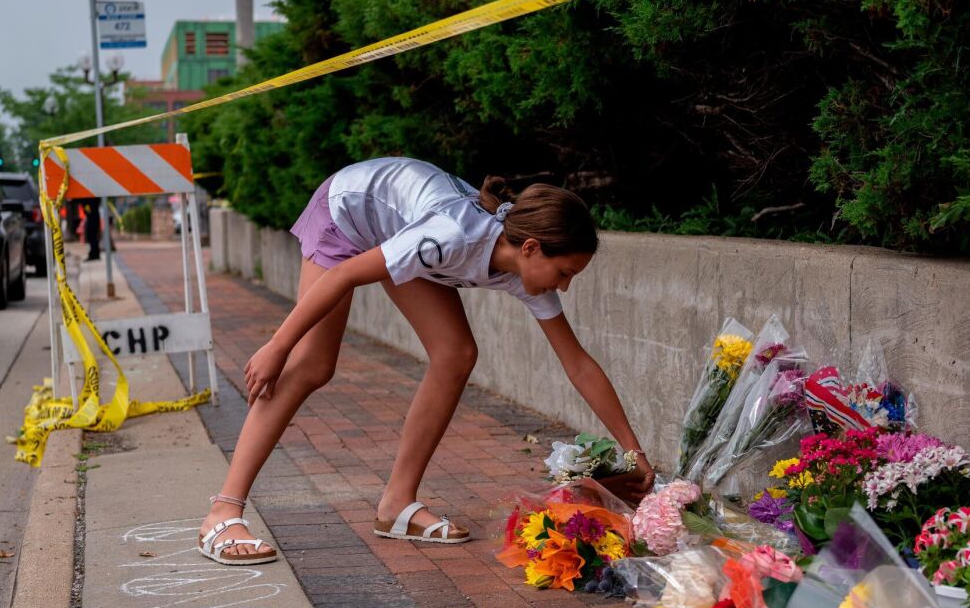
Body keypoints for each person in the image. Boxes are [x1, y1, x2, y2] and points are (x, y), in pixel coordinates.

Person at [197, 157, 653, 565]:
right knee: (311, 364)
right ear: (531, 248)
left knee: (455, 354)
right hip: (347, 212)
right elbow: (343, 275)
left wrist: (634, 452)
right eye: (564, 273)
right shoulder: (450, 238)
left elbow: (577, 364)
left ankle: (396, 504)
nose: (565, 287)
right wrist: (277, 345)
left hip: (397, 230)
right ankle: (224, 510)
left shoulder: (521, 273)